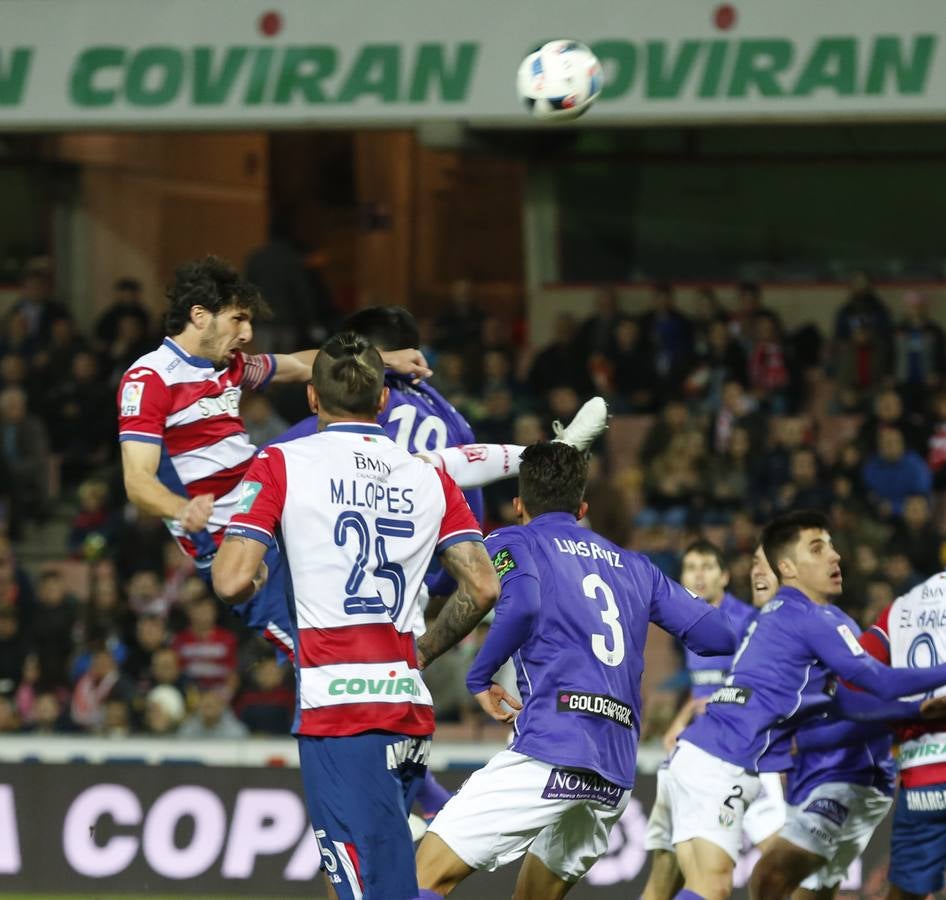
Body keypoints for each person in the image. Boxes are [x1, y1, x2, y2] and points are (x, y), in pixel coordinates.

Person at [212, 332, 499, 900]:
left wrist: (262, 569)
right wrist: (421, 652)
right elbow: (484, 585)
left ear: (312, 398)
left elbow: (229, 579)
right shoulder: (428, 474)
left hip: (339, 708)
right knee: (390, 883)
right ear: (384, 402)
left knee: (362, 890)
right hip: (408, 710)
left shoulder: (281, 461)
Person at [415, 442, 738, 899]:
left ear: (519, 505)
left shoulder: (513, 539)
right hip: (614, 769)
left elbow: (522, 604)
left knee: (423, 877)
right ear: (582, 507)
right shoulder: (636, 566)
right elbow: (720, 637)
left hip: (552, 747)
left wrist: (479, 676)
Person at [117, 256, 429, 658]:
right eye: (238, 320)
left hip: (278, 522)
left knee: (352, 639)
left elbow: (301, 365)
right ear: (199, 316)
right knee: (316, 659)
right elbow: (137, 481)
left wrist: (384, 359)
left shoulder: (227, 366)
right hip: (236, 546)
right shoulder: (150, 379)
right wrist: (181, 509)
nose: (247, 333)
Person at [665, 510, 946, 900]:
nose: (835, 556)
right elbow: (878, 682)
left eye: (832, 546)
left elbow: (846, 700)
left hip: (704, 756)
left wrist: (913, 713)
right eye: (818, 548)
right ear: (788, 568)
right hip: (726, 760)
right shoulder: (815, 619)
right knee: (724, 885)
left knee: (728, 883)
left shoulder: (778, 620)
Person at [642, 542, 759, 900]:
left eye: (707, 566)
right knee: (669, 877)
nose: (698, 574)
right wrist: (681, 719)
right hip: (697, 757)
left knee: (699, 882)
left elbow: (749, 688)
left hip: (733, 757)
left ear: (725, 575)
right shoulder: (690, 621)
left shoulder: (746, 622)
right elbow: (701, 692)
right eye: (691, 567)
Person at [857, 571, 946, 900]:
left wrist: (903, 714)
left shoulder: (902, 608)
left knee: (906, 892)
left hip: (921, 779)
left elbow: (856, 677)